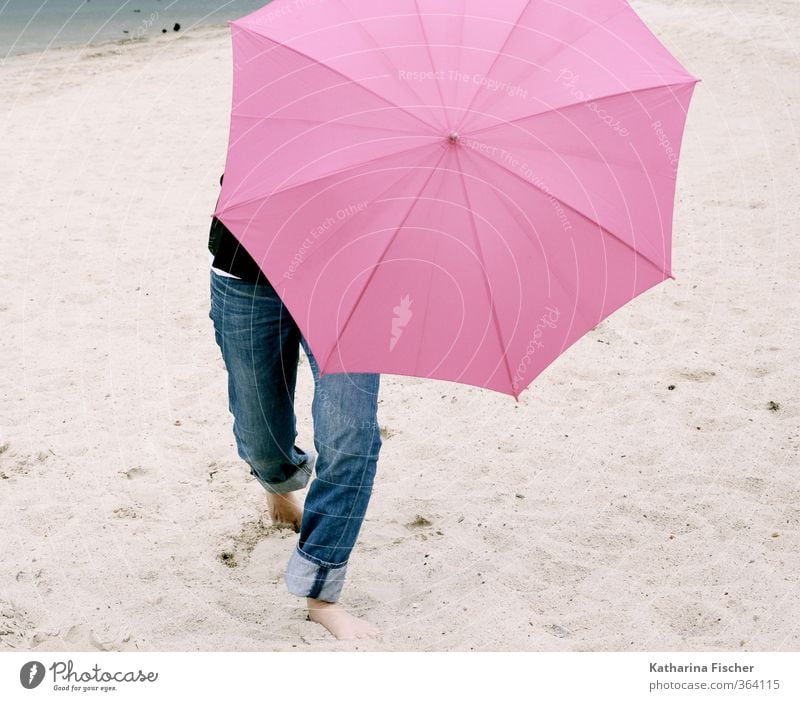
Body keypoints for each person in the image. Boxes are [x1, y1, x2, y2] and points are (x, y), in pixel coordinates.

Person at [207, 175, 383, 640]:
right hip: (247, 267)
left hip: (347, 276)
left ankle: (322, 592)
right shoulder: (277, 101)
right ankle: (280, 483)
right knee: (261, 432)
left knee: (352, 435)